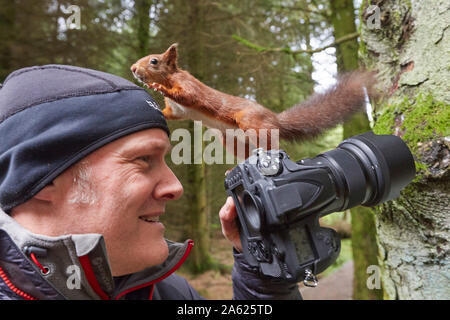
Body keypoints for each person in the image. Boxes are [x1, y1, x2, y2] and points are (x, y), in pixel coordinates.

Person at [0, 65, 301, 300]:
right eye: (143, 159)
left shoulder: (166, 291)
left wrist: (263, 273)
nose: (175, 187)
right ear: (42, 180)